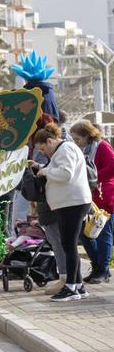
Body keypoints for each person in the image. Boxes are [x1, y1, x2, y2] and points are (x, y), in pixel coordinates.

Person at [32, 124, 92, 301]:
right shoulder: (61, 150)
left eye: (43, 148)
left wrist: (45, 170)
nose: (44, 153)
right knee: (69, 244)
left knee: (69, 245)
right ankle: (79, 286)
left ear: (50, 141)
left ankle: (71, 287)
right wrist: (41, 166)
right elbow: (59, 170)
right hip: (68, 203)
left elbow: (66, 173)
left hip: (73, 203)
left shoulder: (65, 148)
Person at [71, 120, 114, 284]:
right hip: (89, 197)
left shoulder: (102, 146)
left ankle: (103, 270)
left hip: (105, 196)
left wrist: (94, 179)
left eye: (77, 138)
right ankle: (97, 266)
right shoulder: (82, 149)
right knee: (85, 233)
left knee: (103, 234)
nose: (76, 142)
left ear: (86, 135)